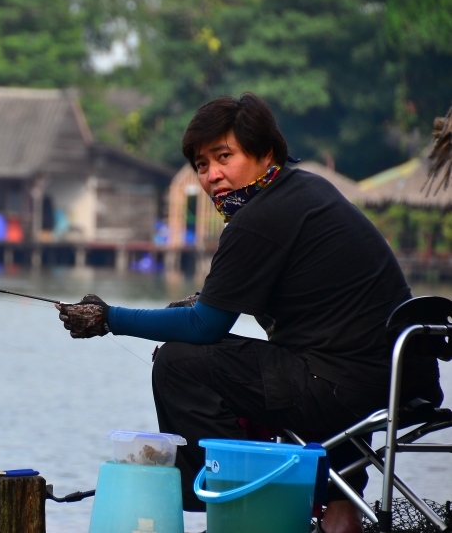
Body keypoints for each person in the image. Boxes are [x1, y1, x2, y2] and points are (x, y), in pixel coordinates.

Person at [57, 93, 442, 533]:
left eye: (224, 157)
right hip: (394, 381)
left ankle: (252, 506)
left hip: (344, 387)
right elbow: (222, 301)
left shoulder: (260, 215)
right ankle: (340, 515)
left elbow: (206, 326)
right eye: (202, 165)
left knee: (179, 364)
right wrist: (191, 307)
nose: (212, 175)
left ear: (265, 153)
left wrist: (110, 319)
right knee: (286, 359)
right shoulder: (303, 190)